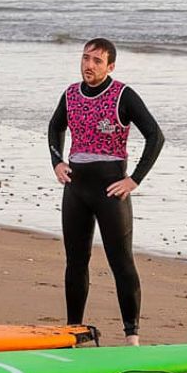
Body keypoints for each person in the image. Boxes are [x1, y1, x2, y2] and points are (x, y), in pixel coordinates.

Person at [47, 38, 164, 344]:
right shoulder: (71, 94)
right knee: (75, 260)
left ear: (110, 66)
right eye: (86, 58)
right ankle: (74, 330)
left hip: (111, 189)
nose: (89, 65)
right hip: (76, 189)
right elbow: (54, 127)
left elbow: (155, 136)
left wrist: (134, 179)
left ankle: (132, 336)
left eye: (97, 61)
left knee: (121, 261)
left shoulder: (123, 94)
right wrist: (57, 162)